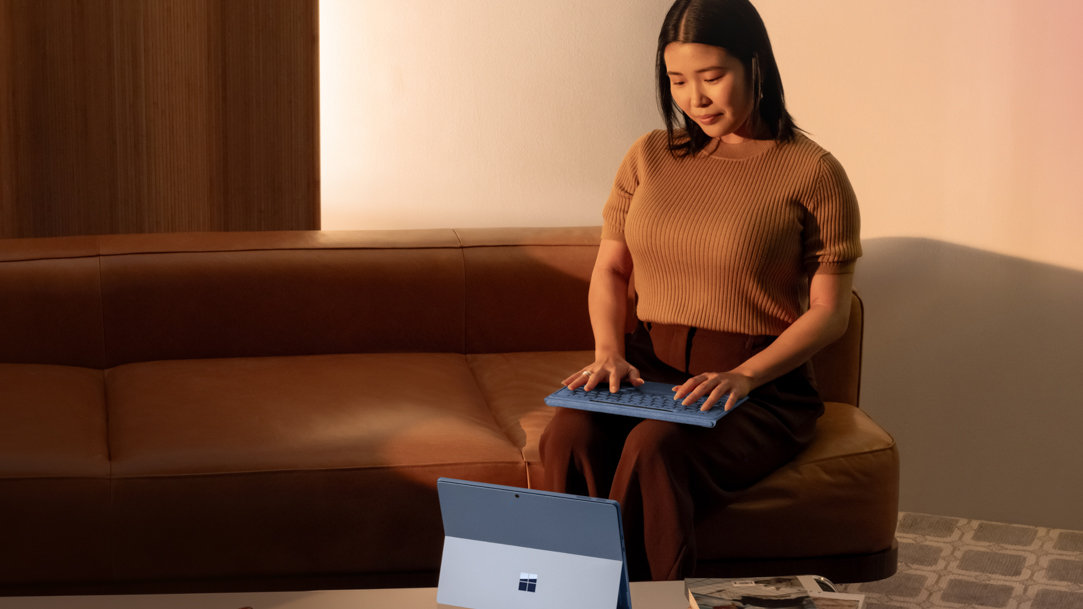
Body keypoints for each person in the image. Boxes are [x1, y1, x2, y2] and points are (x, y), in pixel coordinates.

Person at [538, 0, 862, 582]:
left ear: (756, 65)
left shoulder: (813, 172)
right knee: (570, 432)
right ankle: (561, 595)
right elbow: (611, 270)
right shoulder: (649, 156)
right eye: (678, 80)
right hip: (647, 362)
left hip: (757, 383)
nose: (695, 98)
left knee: (656, 447)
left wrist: (744, 377)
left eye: (712, 77)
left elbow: (830, 312)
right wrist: (608, 352)